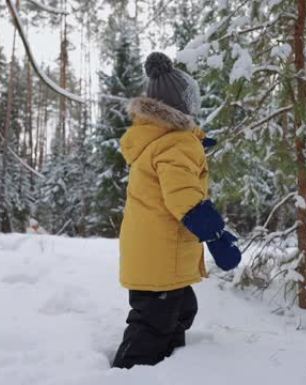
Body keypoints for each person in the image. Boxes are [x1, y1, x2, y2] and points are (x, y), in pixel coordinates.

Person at [111, 52, 242, 369]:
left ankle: (171, 366)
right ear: (179, 106)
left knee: (180, 310)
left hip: (153, 251)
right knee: (153, 323)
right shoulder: (176, 143)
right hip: (160, 253)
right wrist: (215, 234)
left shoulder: (159, 140)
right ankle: (129, 372)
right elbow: (183, 196)